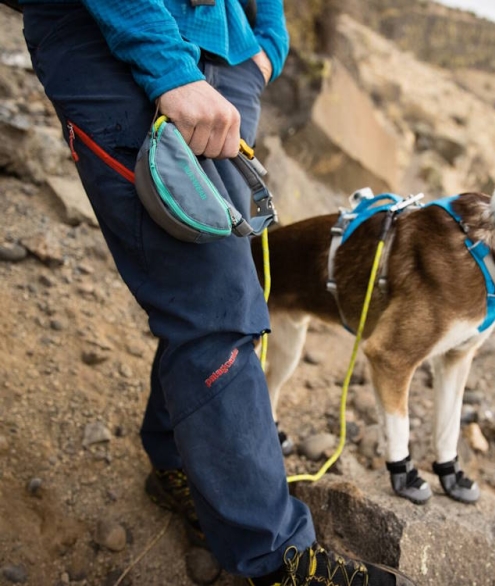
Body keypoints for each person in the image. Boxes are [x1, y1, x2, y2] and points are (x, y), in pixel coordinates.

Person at [16, 1, 416, 584]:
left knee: (218, 286)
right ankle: (277, 560)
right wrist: (170, 69)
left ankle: (175, 459)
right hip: (120, 39)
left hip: (227, 64)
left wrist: (265, 48)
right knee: (218, 303)